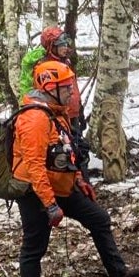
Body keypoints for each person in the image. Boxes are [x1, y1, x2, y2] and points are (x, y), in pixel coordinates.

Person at [13, 61, 139, 277]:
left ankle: (118, 273)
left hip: (60, 185)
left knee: (98, 219)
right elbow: (34, 167)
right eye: (66, 88)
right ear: (49, 87)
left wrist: (78, 179)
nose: (71, 93)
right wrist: (50, 205)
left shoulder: (57, 112)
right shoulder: (34, 119)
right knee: (34, 246)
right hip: (35, 192)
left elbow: (66, 152)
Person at [20, 26, 90, 178]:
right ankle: (74, 187)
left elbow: (73, 89)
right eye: (61, 46)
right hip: (58, 117)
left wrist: (79, 110)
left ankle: (82, 184)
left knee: (81, 151)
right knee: (68, 154)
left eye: (66, 45)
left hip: (72, 114)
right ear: (52, 47)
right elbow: (45, 95)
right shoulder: (44, 69)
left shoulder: (66, 62)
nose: (65, 48)